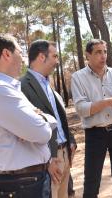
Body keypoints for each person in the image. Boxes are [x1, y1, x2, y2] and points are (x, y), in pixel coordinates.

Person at [0, 35, 57, 198]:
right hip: (24, 184)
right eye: (20, 52)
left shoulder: (5, 88)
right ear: (6, 54)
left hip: (27, 181)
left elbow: (45, 124)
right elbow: (43, 133)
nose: (23, 59)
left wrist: (40, 120)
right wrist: (38, 122)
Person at [71, 39, 112, 198]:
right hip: (95, 133)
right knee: (92, 179)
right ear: (88, 55)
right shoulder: (78, 77)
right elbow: (81, 109)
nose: (103, 56)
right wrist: (107, 102)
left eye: (104, 51)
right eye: (98, 52)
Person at [20, 40, 77, 198]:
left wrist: (70, 142)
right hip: (48, 160)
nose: (57, 61)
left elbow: (58, 118)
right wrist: (47, 160)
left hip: (64, 154)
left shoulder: (48, 86)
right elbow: (25, 129)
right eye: (54, 56)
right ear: (41, 57)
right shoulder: (22, 86)